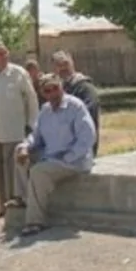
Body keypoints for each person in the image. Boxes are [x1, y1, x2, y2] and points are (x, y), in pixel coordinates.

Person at [13, 74, 96, 237]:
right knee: (19, 153)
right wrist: (25, 146)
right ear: (43, 93)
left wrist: (67, 158)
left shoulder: (75, 107)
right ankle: (25, 199)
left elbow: (88, 137)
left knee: (38, 171)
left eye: (55, 88)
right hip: (52, 158)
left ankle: (34, 221)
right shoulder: (45, 111)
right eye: (47, 91)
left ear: (61, 87)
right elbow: (36, 137)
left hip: (74, 160)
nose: (52, 94)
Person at [0, 39, 39, 219]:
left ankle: (15, 202)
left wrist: (31, 125)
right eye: (0, 54)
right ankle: (2, 206)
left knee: (12, 168)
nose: (5, 57)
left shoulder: (18, 74)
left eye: (6, 53)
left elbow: (32, 100)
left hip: (14, 130)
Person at [51, 50, 101, 157]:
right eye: (59, 65)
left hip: (83, 147)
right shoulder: (58, 90)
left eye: (65, 64)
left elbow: (89, 112)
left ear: (72, 63)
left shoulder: (85, 88)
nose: (63, 68)